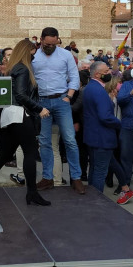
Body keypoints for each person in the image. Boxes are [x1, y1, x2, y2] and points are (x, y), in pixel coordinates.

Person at [0, 39, 51, 206]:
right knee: (31, 152)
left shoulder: (16, 67)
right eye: (34, 51)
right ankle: (32, 193)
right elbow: (20, 95)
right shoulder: (23, 69)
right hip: (19, 114)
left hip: (9, 114)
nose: (36, 55)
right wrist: (39, 108)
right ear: (28, 51)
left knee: (4, 154)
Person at [32, 27, 85, 195]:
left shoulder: (65, 55)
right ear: (41, 40)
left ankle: (76, 177)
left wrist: (69, 96)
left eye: (53, 44)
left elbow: (74, 76)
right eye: (47, 44)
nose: (50, 47)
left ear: (58, 41)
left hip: (61, 100)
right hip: (42, 102)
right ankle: (48, 177)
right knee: (45, 141)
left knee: (69, 140)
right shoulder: (33, 56)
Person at [83, 62, 133, 203]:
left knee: (95, 168)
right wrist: (120, 123)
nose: (110, 73)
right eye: (107, 71)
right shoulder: (98, 91)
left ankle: (95, 197)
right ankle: (96, 201)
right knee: (99, 171)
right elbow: (105, 116)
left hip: (94, 136)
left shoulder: (90, 88)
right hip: (102, 137)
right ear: (97, 74)